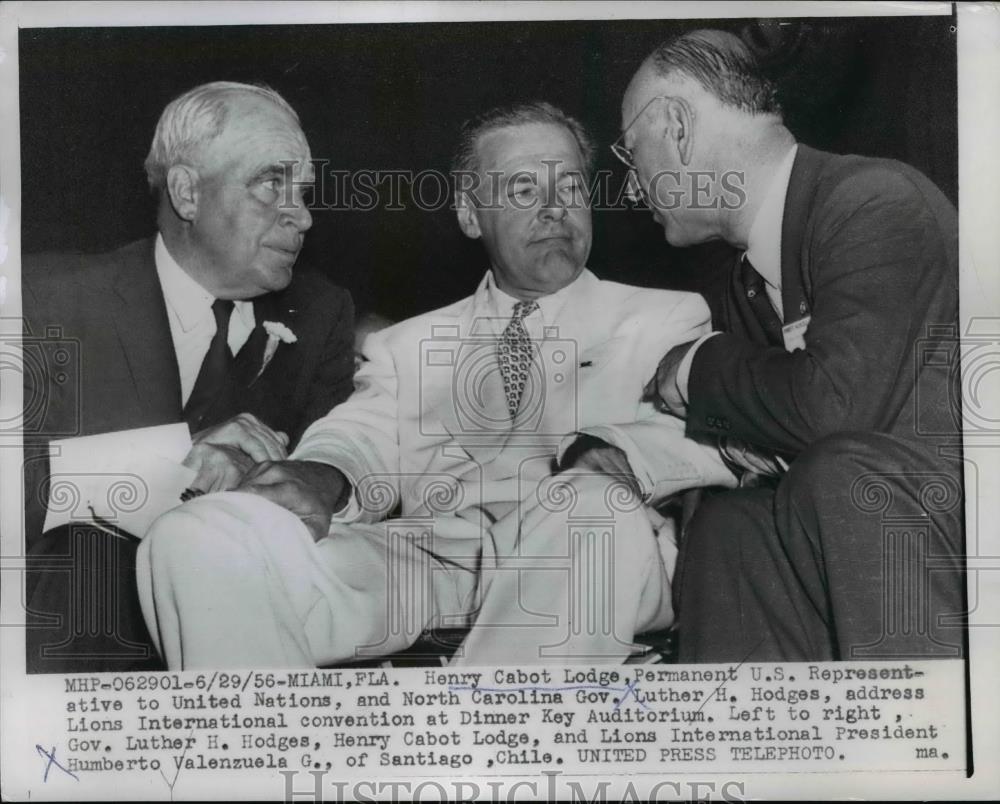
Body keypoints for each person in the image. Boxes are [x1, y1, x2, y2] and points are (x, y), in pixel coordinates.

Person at [135, 101, 739, 669]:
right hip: (432, 560)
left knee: (587, 508)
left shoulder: (662, 316)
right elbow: (359, 435)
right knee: (199, 536)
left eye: (572, 188)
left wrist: (620, 452)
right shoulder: (408, 345)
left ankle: (487, 743)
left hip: (587, 551)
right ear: (470, 215)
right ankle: (275, 746)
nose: (555, 208)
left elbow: (722, 436)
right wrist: (322, 477)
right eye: (523, 189)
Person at [610, 29, 963, 662]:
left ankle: (914, 718)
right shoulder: (744, 280)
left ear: (678, 128)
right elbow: (770, 423)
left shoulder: (874, 201)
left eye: (632, 154)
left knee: (838, 478)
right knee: (726, 528)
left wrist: (692, 368)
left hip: (946, 532)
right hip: (854, 530)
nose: (634, 189)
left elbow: (835, 411)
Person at [23, 81, 356, 673]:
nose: (303, 216)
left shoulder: (323, 315)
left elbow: (338, 481)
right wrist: (168, 461)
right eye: (271, 183)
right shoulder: (46, 301)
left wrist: (324, 481)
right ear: (187, 192)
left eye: (303, 192)